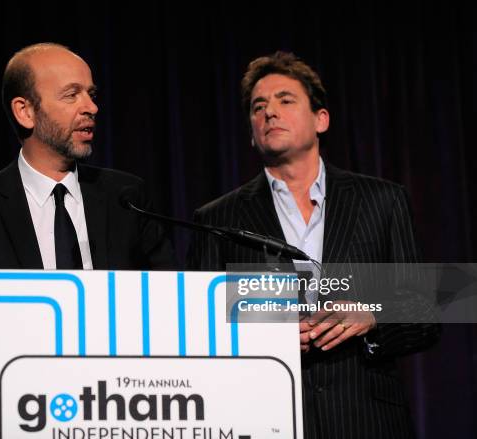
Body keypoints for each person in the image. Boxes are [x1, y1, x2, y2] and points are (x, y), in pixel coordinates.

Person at [0, 42, 175, 438]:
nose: (91, 107)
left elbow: (171, 310)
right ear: (25, 111)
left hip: (121, 416)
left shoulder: (127, 198)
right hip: (14, 422)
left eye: (92, 94)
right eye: (72, 94)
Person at [187, 51, 440, 438]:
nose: (270, 112)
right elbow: (200, 327)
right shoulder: (217, 219)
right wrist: (264, 334)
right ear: (252, 132)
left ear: (321, 119)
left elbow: (425, 307)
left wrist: (372, 315)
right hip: (267, 418)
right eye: (259, 107)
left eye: (285, 100)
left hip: (368, 420)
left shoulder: (382, 200)